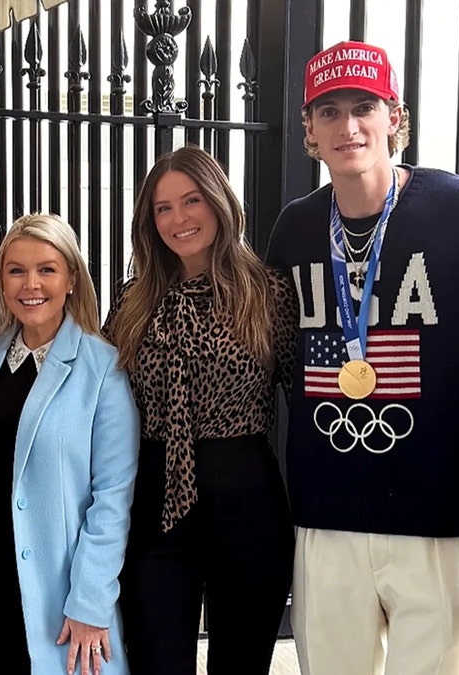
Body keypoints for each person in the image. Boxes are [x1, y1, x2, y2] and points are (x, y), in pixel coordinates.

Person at [265, 41, 459, 674]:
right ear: (309, 129)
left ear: (394, 117)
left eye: (364, 107)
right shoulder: (294, 229)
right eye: (329, 112)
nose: (348, 127)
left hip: (444, 516)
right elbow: (279, 355)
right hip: (328, 512)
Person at [104, 145, 298, 674]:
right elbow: (96, 398)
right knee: (155, 661)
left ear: (218, 202)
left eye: (191, 200)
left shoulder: (268, 294)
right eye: (162, 208)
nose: (178, 218)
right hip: (153, 508)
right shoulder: (132, 302)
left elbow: (305, 399)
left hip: (248, 503)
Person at [0, 212, 139, 675]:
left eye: (46, 269)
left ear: (72, 277)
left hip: (62, 602)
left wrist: (91, 601)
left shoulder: (103, 369)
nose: (30, 284)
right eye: (16, 270)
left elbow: (113, 498)